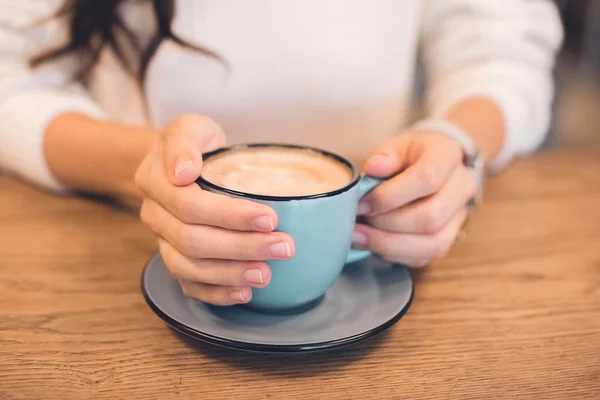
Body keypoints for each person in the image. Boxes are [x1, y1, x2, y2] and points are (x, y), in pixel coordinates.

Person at [0, 0, 562, 305]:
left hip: (393, 263)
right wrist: (145, 166)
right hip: (121, 253)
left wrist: (454, 148)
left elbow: (500, 45)